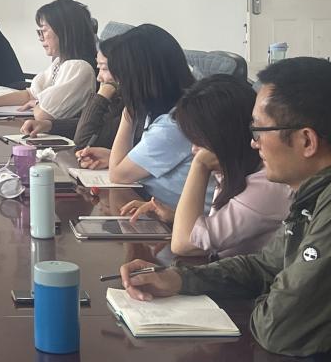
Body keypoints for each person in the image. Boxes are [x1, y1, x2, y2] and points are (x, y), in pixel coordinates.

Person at [119, 58, 331, 362]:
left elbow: (280, 329)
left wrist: (276, 296)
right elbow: (265, 265)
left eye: (258, 130)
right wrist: (180, 279)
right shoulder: (322, 190)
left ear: (306, 141)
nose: (253, 143)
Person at [121, 74, 291, 258]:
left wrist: (200, 165)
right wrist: (174, 216)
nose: (194, 150)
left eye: (199, 142)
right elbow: (212, 229)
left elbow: (183, 243)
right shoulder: (240, 170)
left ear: (224, 137)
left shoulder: (264, 187)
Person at [74, 24, 203, 208]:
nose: (120, 85)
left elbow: (118, 175)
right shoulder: (168, 109)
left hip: (176, 219)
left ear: (140, 76)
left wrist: (129, 110)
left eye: (122, 78)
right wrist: (113, 157)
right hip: (158, 207)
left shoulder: (174, 124)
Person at [0, 0, 96, 135]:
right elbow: (30, 94)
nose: (40, 38)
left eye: (44, 31)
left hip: (64, 141)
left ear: (64, 32)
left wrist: (36, 104)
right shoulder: (60, 62)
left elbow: (44, 115)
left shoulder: (79, 68)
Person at [72, 46, 124, 149]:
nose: (98, 78)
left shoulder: (134, 111)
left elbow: (83, 141)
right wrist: (50, 125)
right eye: (99, 68)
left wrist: (102, 95)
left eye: (104, 69)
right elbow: (95, 123)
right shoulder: (119, 101)